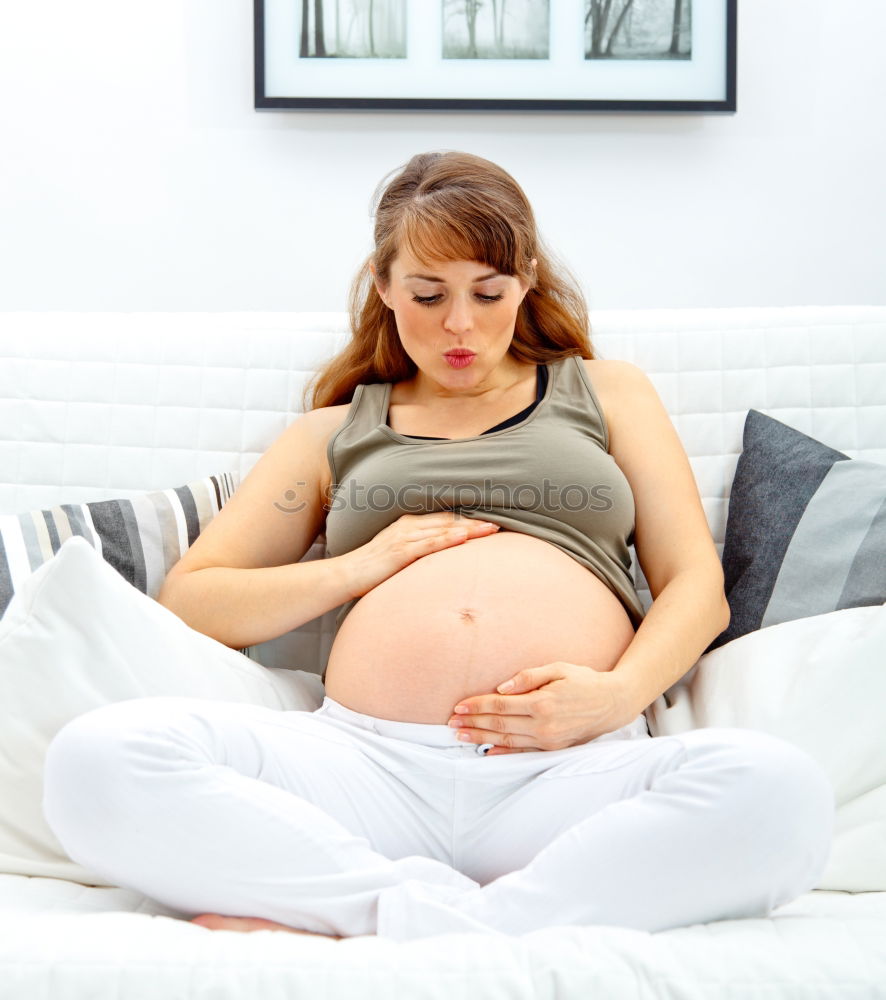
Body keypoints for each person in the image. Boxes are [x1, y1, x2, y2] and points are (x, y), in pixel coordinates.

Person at [42, 151, 834, 941]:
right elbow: (196, 599)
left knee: (781, 791)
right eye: (428, 294)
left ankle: (377, 917)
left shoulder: (606, 391)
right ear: (383, 286)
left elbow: (697, 582)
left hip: (567, 767)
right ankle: (466, 921)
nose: (460, 325)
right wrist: (360, 565)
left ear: (525, 279)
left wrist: (617, 695)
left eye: (488, 293)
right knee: (94, 761)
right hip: (364, 769)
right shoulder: (333, 434)